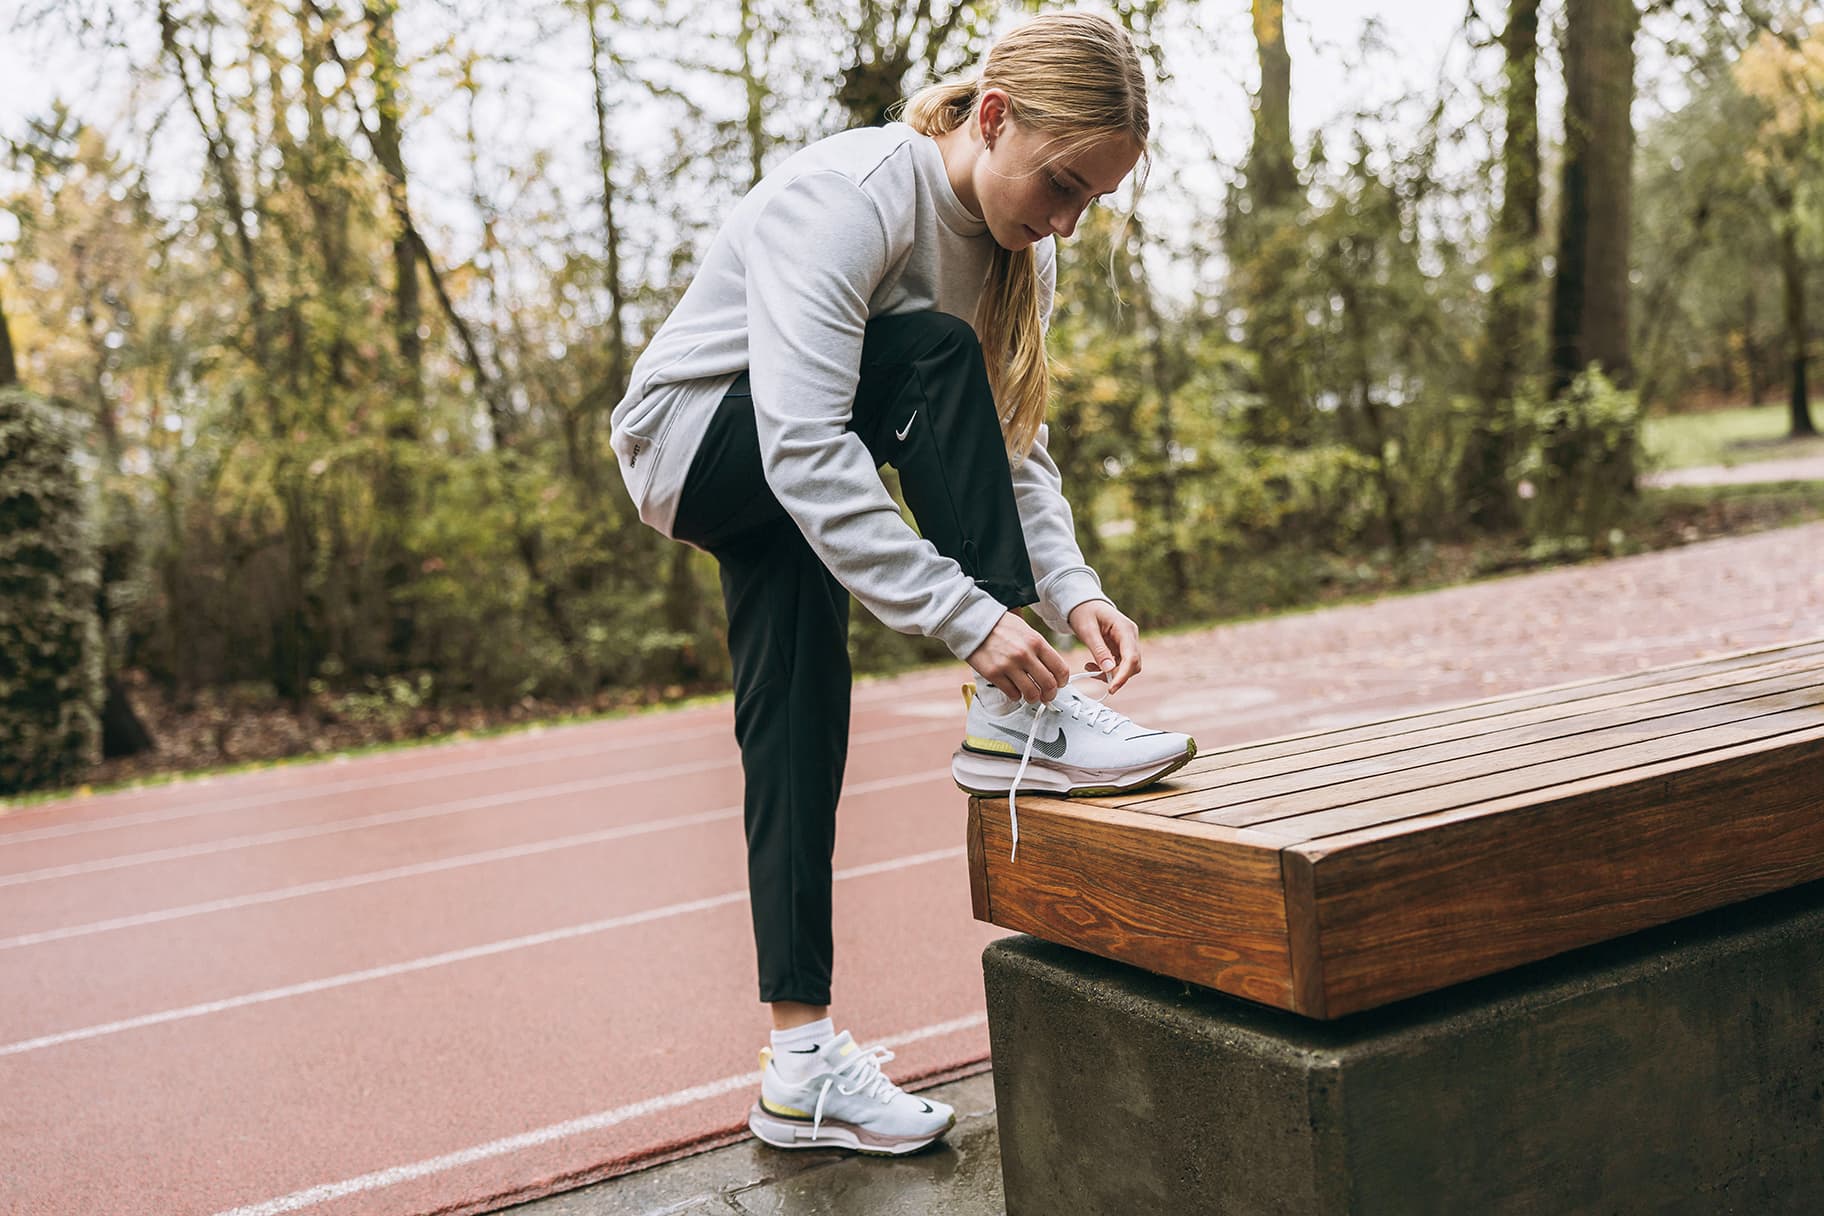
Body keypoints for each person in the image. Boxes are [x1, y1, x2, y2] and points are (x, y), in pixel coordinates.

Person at [609, 10, 1195, 1157]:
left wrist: (1071, 589)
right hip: (695, 443)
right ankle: (1011, 719)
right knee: (926, 350)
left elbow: (1007, 441)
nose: (1066, 220)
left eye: (1090, 202)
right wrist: (978, 629)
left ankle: (801, 1065)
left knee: (797, 730)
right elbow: (808, 448)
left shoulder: (1016, 240)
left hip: (786, 463)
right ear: (992, 116)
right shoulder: (852, 197)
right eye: (1062, 184)